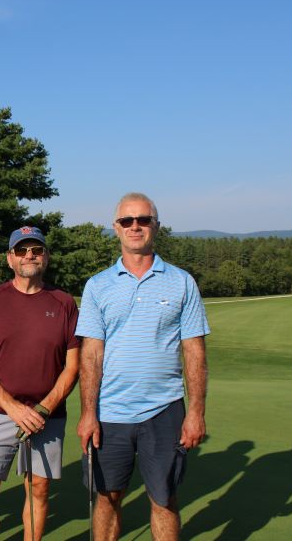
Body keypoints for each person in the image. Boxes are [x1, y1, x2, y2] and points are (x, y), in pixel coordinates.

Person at [76, 192, 210, 541]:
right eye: (127, 221)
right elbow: (90, 355)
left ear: (156, 226)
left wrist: (195, 412)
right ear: (116, 228)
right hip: (110, 412)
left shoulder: (182, 281)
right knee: (108, 497)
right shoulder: (98, 285)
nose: (135, 227)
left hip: (164, 411)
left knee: (164, 499)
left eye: (143, 220)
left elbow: (194, 351)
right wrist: (88, 413)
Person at [0, 226, 81, 541]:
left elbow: (72, 366)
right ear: (10, 259)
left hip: (47, 416)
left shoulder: (63, 302)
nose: (29, 255)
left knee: (39, 490)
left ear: (46, 256)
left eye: (37, 250)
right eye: (21, 250)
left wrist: (43, 409)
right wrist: (13, 408)